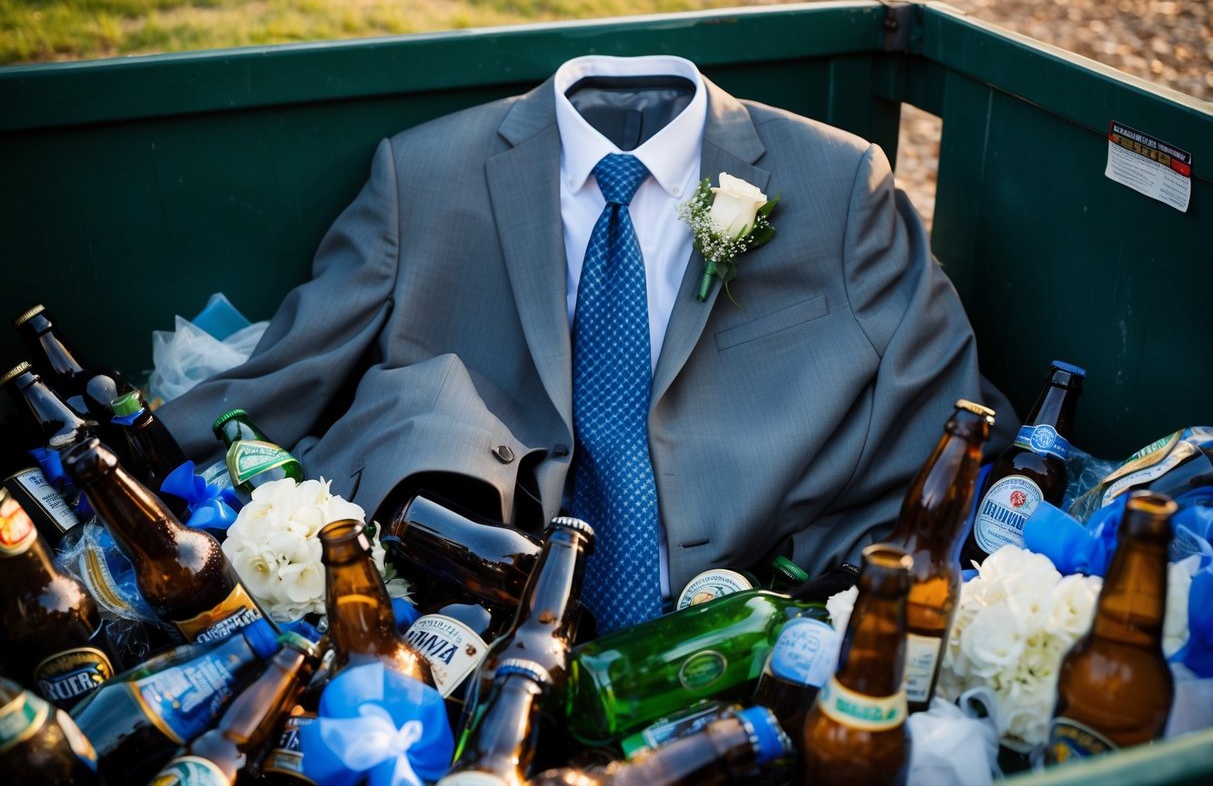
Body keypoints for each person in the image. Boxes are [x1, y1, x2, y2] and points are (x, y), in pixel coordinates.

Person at [156, 54, 1014, 627]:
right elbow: (288, 373)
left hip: (758, 583)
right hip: (483, 592)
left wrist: (858, 572)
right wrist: (131, 457)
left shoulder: (836, 180)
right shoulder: (421, 174)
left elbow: (946, 400)